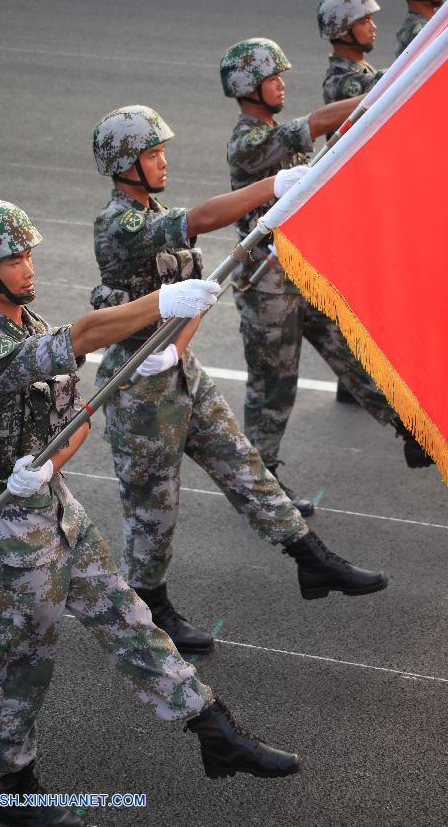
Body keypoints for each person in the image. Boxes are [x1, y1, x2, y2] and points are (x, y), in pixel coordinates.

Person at [0, 201, 304, 826]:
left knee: (127, 617)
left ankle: (214, 730)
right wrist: (161, 305)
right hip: (10, 532)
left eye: (27, 254)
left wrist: (50, 467)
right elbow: (83, 337)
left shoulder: (28, 325)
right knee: (20, 663)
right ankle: (13, 794)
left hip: (55, 509)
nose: (28, 266)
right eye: (12, 258)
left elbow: (76, 418)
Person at [91, 104, 388, 656]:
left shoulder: (154, 210)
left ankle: (312, 561)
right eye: (152, 154)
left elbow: (196, 293)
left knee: (246, 468)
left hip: (177, 372)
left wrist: (177, 351)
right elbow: (200, 220)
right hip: (137, 387)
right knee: (154, 509)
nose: (163, 161)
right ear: (125, 165)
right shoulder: (118, 225)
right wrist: (271, 184)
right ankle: (150, 609)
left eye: (161, 152)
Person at [221, 37, 433, 486]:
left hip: (300, 271)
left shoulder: (273, 136)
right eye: (271, 78)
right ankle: (265, 484)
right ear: (248, 87)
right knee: (274, 387)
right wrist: (387, 89)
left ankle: (409, 430)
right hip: (266, 287)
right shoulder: (248, 142)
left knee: (355, 350)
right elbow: (316, 122)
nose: (281, 85)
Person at [317, 0, 388, 404]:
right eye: (364, 20)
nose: (372, 26)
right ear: (343, 30)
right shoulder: (347, 83)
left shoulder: (359, 74)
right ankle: (357, 384)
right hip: (359, 200)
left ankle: (353, 384)